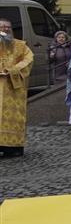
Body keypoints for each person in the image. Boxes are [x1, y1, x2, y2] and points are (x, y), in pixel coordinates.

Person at [0, 18, 34, 157]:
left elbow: (29, 59)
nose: (4, 29)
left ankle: (13, 147)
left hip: (13, 88)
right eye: (1, 26)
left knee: (14, 117)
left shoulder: (20, 45)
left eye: (7, 27)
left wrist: (13, 70)